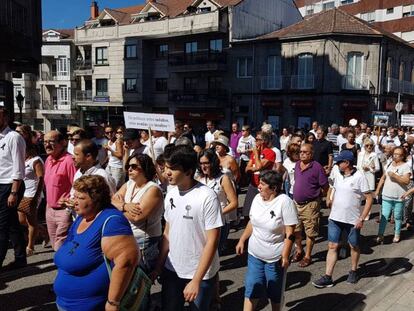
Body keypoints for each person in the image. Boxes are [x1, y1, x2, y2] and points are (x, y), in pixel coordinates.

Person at [152, 145, 223, 311]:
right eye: (166, 167)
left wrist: (196, 280)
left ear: (189, 171)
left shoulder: (207, 196)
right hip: (173, 270)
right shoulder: (171, 194)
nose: (167, 173)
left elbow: (212, 241)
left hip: (201, 274)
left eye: (173, 168)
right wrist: (158, 266)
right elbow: (167, 233)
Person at [54, 175, 138, 311]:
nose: (74, 202)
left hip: (91, 305)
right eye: (74, 197)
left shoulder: (112, 221)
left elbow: (127, 261)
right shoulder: (83, 216)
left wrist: (113, 302)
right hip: (66, 303)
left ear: (97, 200)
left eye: (80, 198)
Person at [236, 171, 297, 311]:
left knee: (274, 291)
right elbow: (252, 221)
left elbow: (290, 232)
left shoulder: (285, 202)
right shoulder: (257, 198)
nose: (259, 186)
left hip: (274, 258)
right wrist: (242, 239)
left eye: (263, 184)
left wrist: (285, 255)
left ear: (274, 188)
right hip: (254, 254)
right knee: (252, 288)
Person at [312, 151, 373, 288]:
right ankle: (328, 277)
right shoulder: (338, 174)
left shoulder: (359, 177)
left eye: (340, 162)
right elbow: (332, 187)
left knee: (353, 246)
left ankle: (353, 270)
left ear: (347, 163)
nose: (337, 164)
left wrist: (362, 218)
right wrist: (329, 198)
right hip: (335, 218)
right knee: (332, 246)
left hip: (352, 220)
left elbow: (369, 198)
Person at [112, 153, 164, 274]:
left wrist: (118, 210)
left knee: (139, 282)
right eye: (128, 166)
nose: (129, 169)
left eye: (134, 166)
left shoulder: (153, 189)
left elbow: (137, 217)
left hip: (145, 242)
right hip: (128, 237)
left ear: (144, 168)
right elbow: (112, 200)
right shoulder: (130, 183)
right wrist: (125, 206)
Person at [292, 143, 329, 267]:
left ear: (311, 154)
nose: (301, 154)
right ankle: (299, 250)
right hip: (296, 204)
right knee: (296, 230)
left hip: (310, 205)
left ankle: (308, 256)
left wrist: (318, 198)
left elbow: (325, 187)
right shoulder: (297, 165)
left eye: (304, 152)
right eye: (300, 152)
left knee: (310, 232)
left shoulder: (317, 167)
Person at [0, 106, 27, 269]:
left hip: (9, 186)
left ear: (5, 118)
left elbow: (18, 167)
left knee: (1, 226)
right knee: (11, 224)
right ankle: (20, 258)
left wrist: (14, 192)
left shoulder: (14, 137)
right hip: (1, 184)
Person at [196, 149, 238, 254]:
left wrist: (218, 213)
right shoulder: (198, 179)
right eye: (201, 163)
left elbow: (234, 203)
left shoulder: (223, 179)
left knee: (214, 255)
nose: (203, 166)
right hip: (202, 222)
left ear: (213, 163)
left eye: (206, 163)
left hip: (220, 222)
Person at [44, 130, 77, 251]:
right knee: (55, 245)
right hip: (50, 210)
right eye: (45, 142)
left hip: (64, 211)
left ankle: (64, 269)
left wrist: (69, 206)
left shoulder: (69, 161)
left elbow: (76, 185)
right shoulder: (48, 160)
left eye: (51, 142)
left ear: (63, 143)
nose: (47, 145)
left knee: (60, 246)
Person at [15, 125, 44, 256]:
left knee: (31, 221)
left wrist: (37, 196)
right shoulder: (22, 160)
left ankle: (30, 246)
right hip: (23, 193)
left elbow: (41, 179)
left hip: (32, 193)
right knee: (22, 220)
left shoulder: (36, 160)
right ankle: (44, 232)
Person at [375, 146, 411, 243]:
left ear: (403, 156)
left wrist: (394, 176)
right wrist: (378, 189)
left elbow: (407, 181)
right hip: (387, 194)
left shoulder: (405, 166)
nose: (395, 156)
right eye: (394, 154)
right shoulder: (390, 163)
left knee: (398, 216)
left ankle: (397, 234)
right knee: (384, 216)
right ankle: (380, 235)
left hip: (399, 196)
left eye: (398, 154)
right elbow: (383, 177)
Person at [242, 132, 276, 218]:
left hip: (264, 185)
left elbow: (259, 166)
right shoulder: (254, 153)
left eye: (257, 139)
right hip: (253, 184)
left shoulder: (270, 153)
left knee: (262, 211)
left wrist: (256, 155)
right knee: (248, 210)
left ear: (263, 141)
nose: (255, 141)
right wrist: (254, 167)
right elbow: (247, 168)